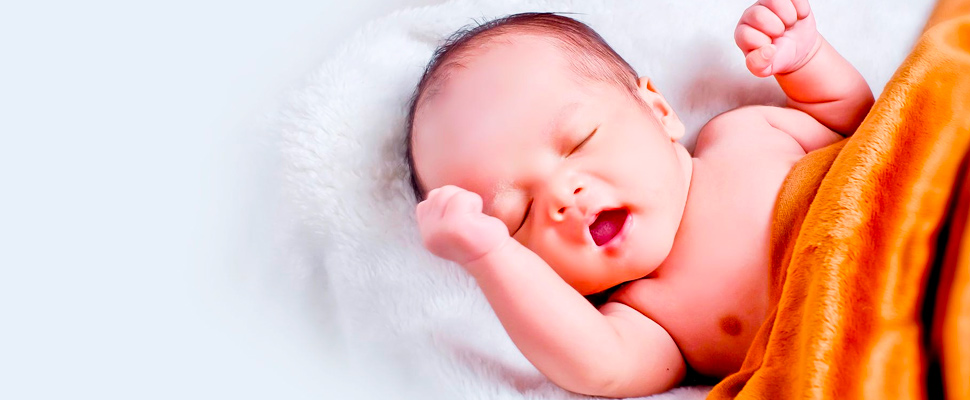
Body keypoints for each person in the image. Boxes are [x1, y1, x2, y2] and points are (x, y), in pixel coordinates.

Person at [405, 0, 874, 397]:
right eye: (518, 216)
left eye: (579, 141)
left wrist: (807, 57)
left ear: (658, 110)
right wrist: (490, 256)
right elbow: (597, 364)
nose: (564, 197)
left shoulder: (744, 133)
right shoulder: (649, 317)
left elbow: (853, 126)